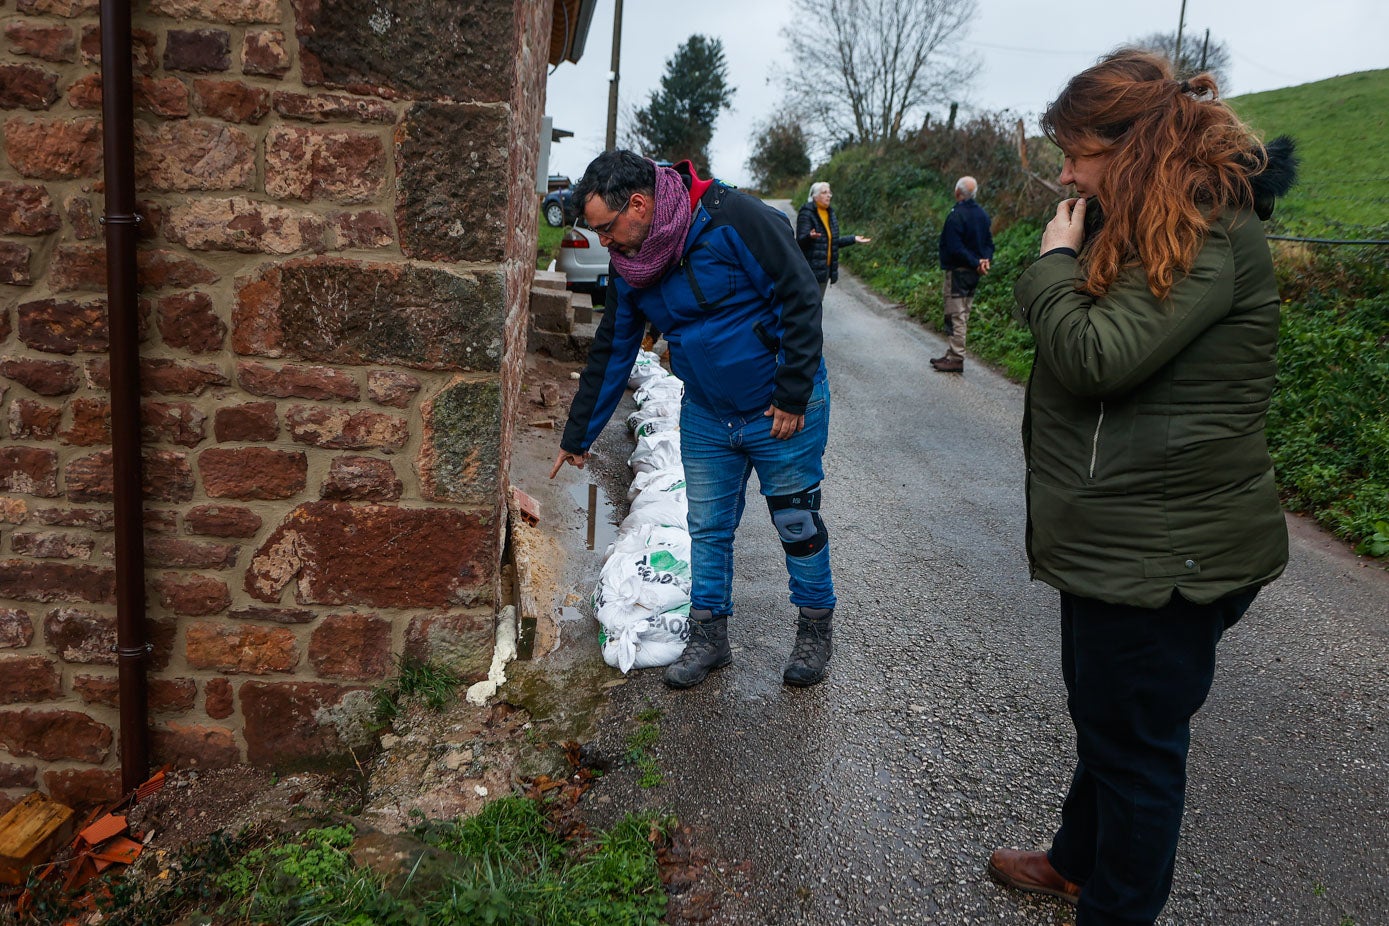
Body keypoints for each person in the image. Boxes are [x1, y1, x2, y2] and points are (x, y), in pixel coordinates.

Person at [987, 50, 1294, 926]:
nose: (1066, 172)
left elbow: (1093, 356)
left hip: (1167, 550)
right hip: (1124, 535)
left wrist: (1051, 262)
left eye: (1079, 152)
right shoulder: (1151, 218)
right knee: (1107, 721)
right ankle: (1074, 861)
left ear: (1131, 146)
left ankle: (1113, 909)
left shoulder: (1202, 226)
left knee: (1136, 749)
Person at [550, 150, 838, 689]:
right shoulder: (632, 265)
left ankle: (815, 628)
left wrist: (794, 393)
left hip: (779, 408)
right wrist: (578, 434)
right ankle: (709, 637)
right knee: (706, 528)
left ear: (639, 204)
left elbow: (800, 295)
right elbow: (614, 347)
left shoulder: (733, 219)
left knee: (796, 523)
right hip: (707, 411)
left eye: (606, 229)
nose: (604, 243)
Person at [931, 176, 993, 373]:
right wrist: (984, 261)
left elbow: (955, 247)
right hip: (974, 273)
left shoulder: (956, 215)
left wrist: (975, 263)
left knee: (955, 314)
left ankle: (956, 357)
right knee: (963, 312)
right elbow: (989, 244)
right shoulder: (982, 215)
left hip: (959, 272)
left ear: (958, 193)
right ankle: (952, 353)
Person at [795, 182, 871, 299]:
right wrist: (809, 236)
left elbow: (832, 242)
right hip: (810, 271)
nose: (828, 195)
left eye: (829, 192)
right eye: (824, 193)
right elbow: (800, 241)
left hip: (824, 270)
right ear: (814, 196)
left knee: (817, 305)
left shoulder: (830, 213)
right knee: (809, 306)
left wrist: (853, 239)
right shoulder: (807, 214)